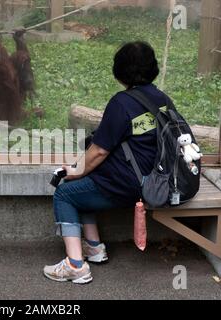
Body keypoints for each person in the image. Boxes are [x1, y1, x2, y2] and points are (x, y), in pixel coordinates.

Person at [44, 41, 168, 284]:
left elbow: (99, 151)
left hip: (130, 184)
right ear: (152, 68)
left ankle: (75, 266)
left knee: (65, 194)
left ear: (120, 70)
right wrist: (81, 173)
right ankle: (94, 248)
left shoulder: (122, 103)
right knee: (84, 187)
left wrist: (76, 171)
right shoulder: (161, 99)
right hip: (155, 178)